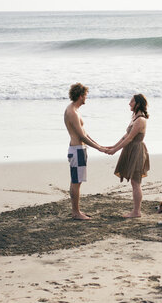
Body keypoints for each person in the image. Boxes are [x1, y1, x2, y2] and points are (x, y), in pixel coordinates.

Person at [64, 83, 105, 220]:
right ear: (81, 96)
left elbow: (85, 134)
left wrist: (99, 145)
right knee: (76, 182)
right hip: (77, 150)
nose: (86, 98)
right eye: (85, 95)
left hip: (79, 149)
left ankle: (75, 211)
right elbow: (81, 136)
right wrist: (98, 148)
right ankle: (76, 212)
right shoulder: (72, 112)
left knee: (76, 181)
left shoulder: (75, 110)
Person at [106, 94, 150, 218]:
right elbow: (125, 136)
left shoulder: (140, 120)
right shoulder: (135, 117)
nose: (129, 103)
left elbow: (130, 138)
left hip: (137, 150)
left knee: (136, 182)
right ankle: (136, 211)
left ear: (138, 104)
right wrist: (113, 146)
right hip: (131, 149)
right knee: (133, 182)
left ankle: (136, 212)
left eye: (132, 101)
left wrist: (115, 150)